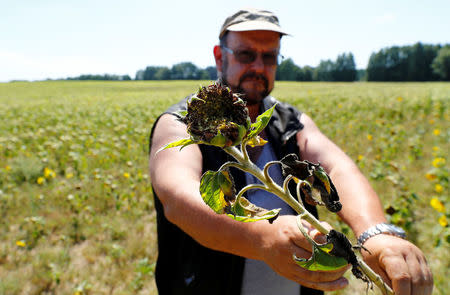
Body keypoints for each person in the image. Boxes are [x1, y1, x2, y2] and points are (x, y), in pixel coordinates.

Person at [149, 8, 433, 295]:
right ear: (220, 56)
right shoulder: (186, 123)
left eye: (270, 56)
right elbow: (179, 198)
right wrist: (260, 236)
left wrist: (375, 233)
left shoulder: (288, 122)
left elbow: (336, 169)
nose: (259, 67)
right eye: (246, 54)